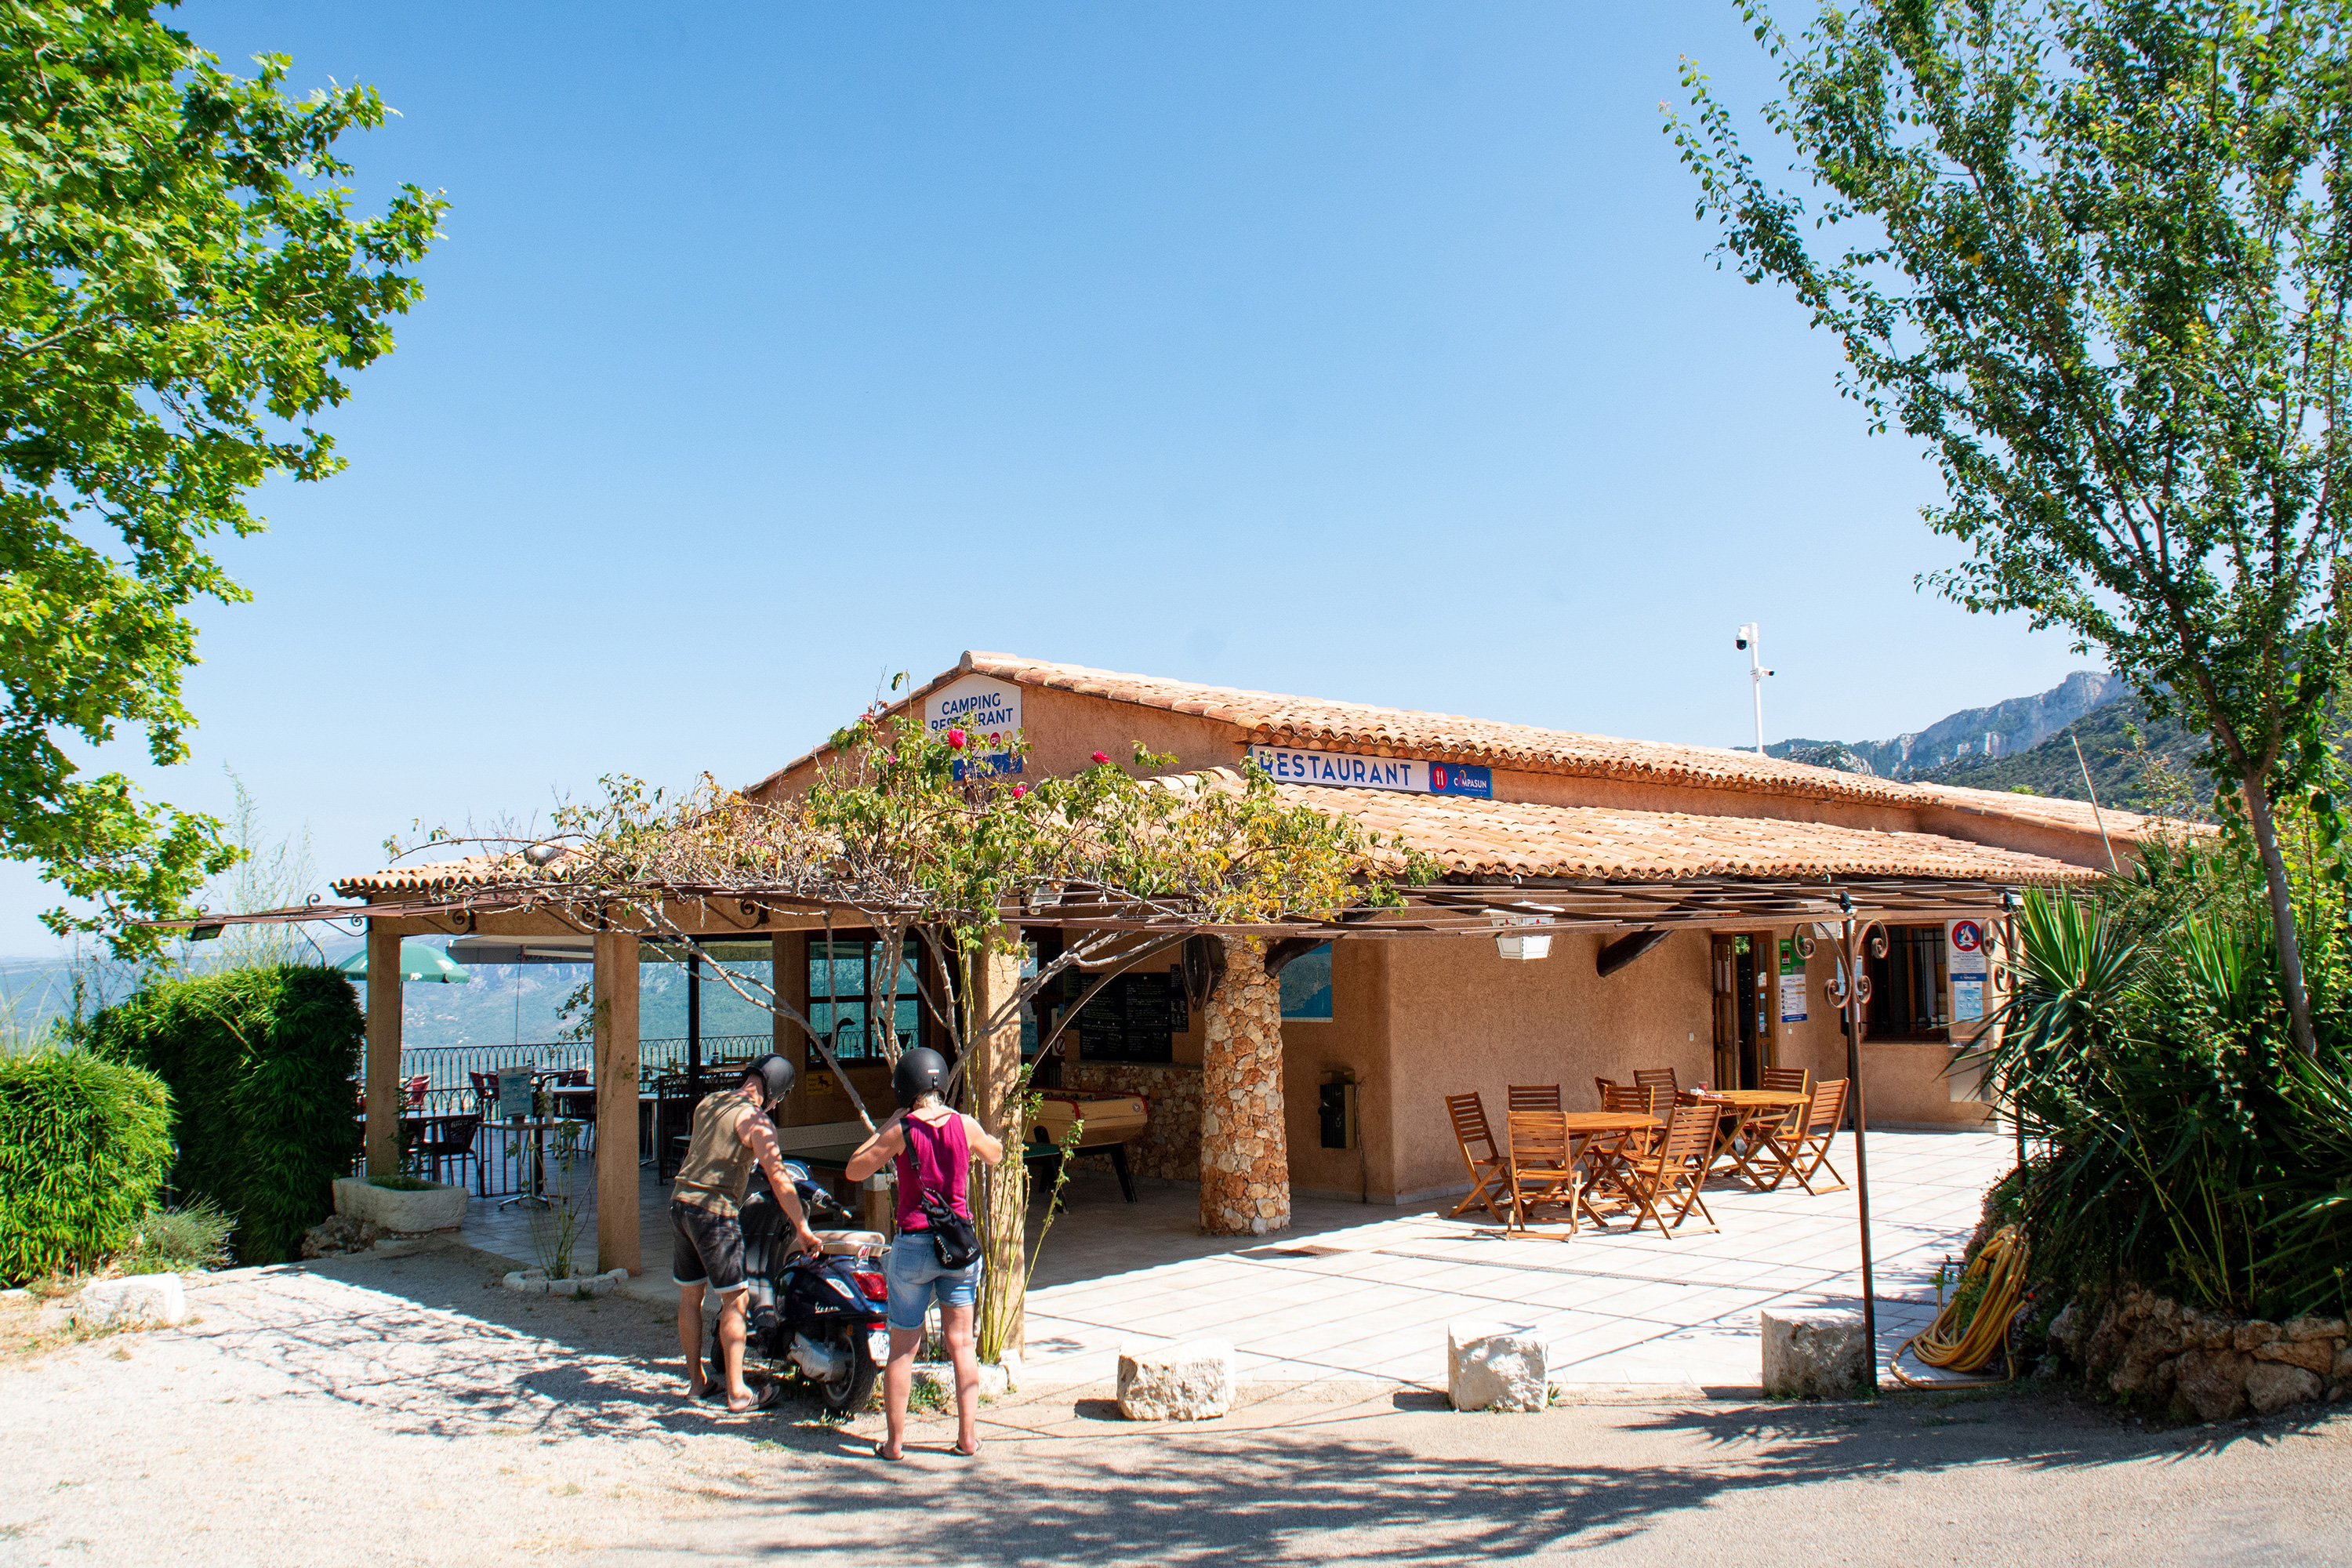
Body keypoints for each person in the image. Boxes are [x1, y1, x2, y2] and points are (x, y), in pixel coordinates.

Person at [844, 1046, 1004, 1460]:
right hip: (957, 1246)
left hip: (914, 1244)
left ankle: (894, 1444)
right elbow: (996, 1154)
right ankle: (968, 1438)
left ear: (906, 1088)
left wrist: (888, 1127)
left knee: (902, 1347)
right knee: (962, 1345)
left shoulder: (902, 1131)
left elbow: (855, 1169)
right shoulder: (964, 1125)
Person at [673, 1053, 823, 1414]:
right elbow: (779, 1178)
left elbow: (700, 1154)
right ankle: (739, 1393)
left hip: (680, 1204)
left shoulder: (708, 1104)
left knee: (690, 1298)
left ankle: (697, 1383)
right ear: (775, 1093)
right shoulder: (758, 1121)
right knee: (736, 1302)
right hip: (714, 1213)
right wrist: (802, 1226)